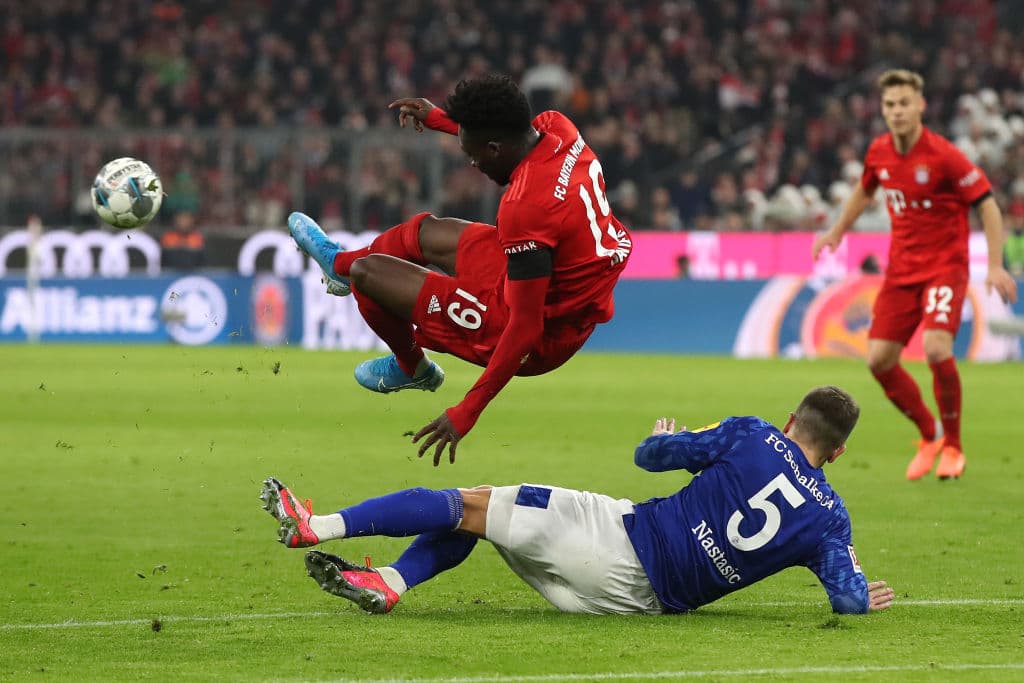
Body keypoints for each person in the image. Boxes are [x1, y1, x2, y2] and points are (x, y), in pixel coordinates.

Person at [259, 386, 894, 616]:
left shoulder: (753, 434)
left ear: (791, 420)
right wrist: (863, 595)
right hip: (638, 605)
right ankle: (390, 582)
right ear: (837, 452)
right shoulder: (830, 519)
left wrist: (663, 436)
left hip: (616, 539)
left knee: (465, 504)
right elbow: (847, 599)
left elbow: (649, 457)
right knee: (485, 521)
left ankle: (317, 524)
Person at [288, 75, 632, 465]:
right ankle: (338, 266)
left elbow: (525, 327)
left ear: (495, 148)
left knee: (368, 275)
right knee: (427, 232)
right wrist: (440, 119)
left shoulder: (526, 208)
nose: (473, 163)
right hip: (555, 278)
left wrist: (468, 410)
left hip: (539, 332)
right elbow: (502, 132)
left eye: (475, 154)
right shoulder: (558, 129)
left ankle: (411, 367)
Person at [812, 69, 1018, 481]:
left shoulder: (944, 155)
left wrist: (995, 264)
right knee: (878, 359)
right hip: (902, 271)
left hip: (945, 267)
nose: (897, 111)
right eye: (890, 104)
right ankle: (930, 433)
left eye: (904, 103)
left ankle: (954, 447)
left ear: (920, 105)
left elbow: (987, 204)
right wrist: (837, 230)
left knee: (937, 349)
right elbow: (865, 190)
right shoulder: (879, 152)